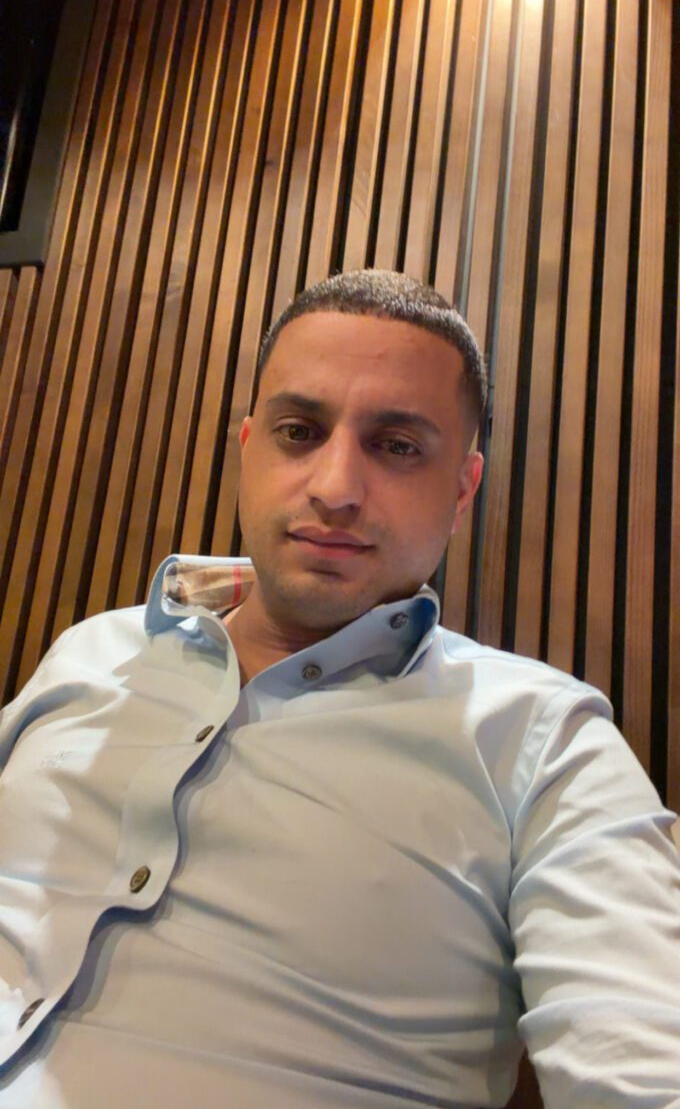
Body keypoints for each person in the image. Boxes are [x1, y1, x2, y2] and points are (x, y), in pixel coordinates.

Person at [0, 269, 678, 1108]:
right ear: (248, 446)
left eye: (396, 446)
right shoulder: (90, 651)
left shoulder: (543, 742)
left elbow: (641, 1063)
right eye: (299, 432)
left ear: (463, 489)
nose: (334, 488)